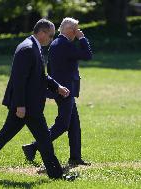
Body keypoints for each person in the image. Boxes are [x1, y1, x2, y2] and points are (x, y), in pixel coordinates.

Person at [0, 19, 72, 180]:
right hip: (27, 107)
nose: (52, 39)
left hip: (28, 106)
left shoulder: (33, 47)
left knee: (4, 138)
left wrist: (57, 87)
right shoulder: (27, 49)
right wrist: (20, 105)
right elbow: (19, 81)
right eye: (51, 36)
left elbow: (41, 75)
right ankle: (57, 176)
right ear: (42, 33)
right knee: (44, 142)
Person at [22, 17, 92, 166]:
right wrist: (82, 38)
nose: (78, 32)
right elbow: (87, 55)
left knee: (74, 125)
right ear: (70, 30)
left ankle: (75, 157)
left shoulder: (56, 43)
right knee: (63, 125)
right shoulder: (64, 44)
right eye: (76, 29)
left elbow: (51, 69)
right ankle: (33, 147)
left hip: (64, 90)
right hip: (64, 91)